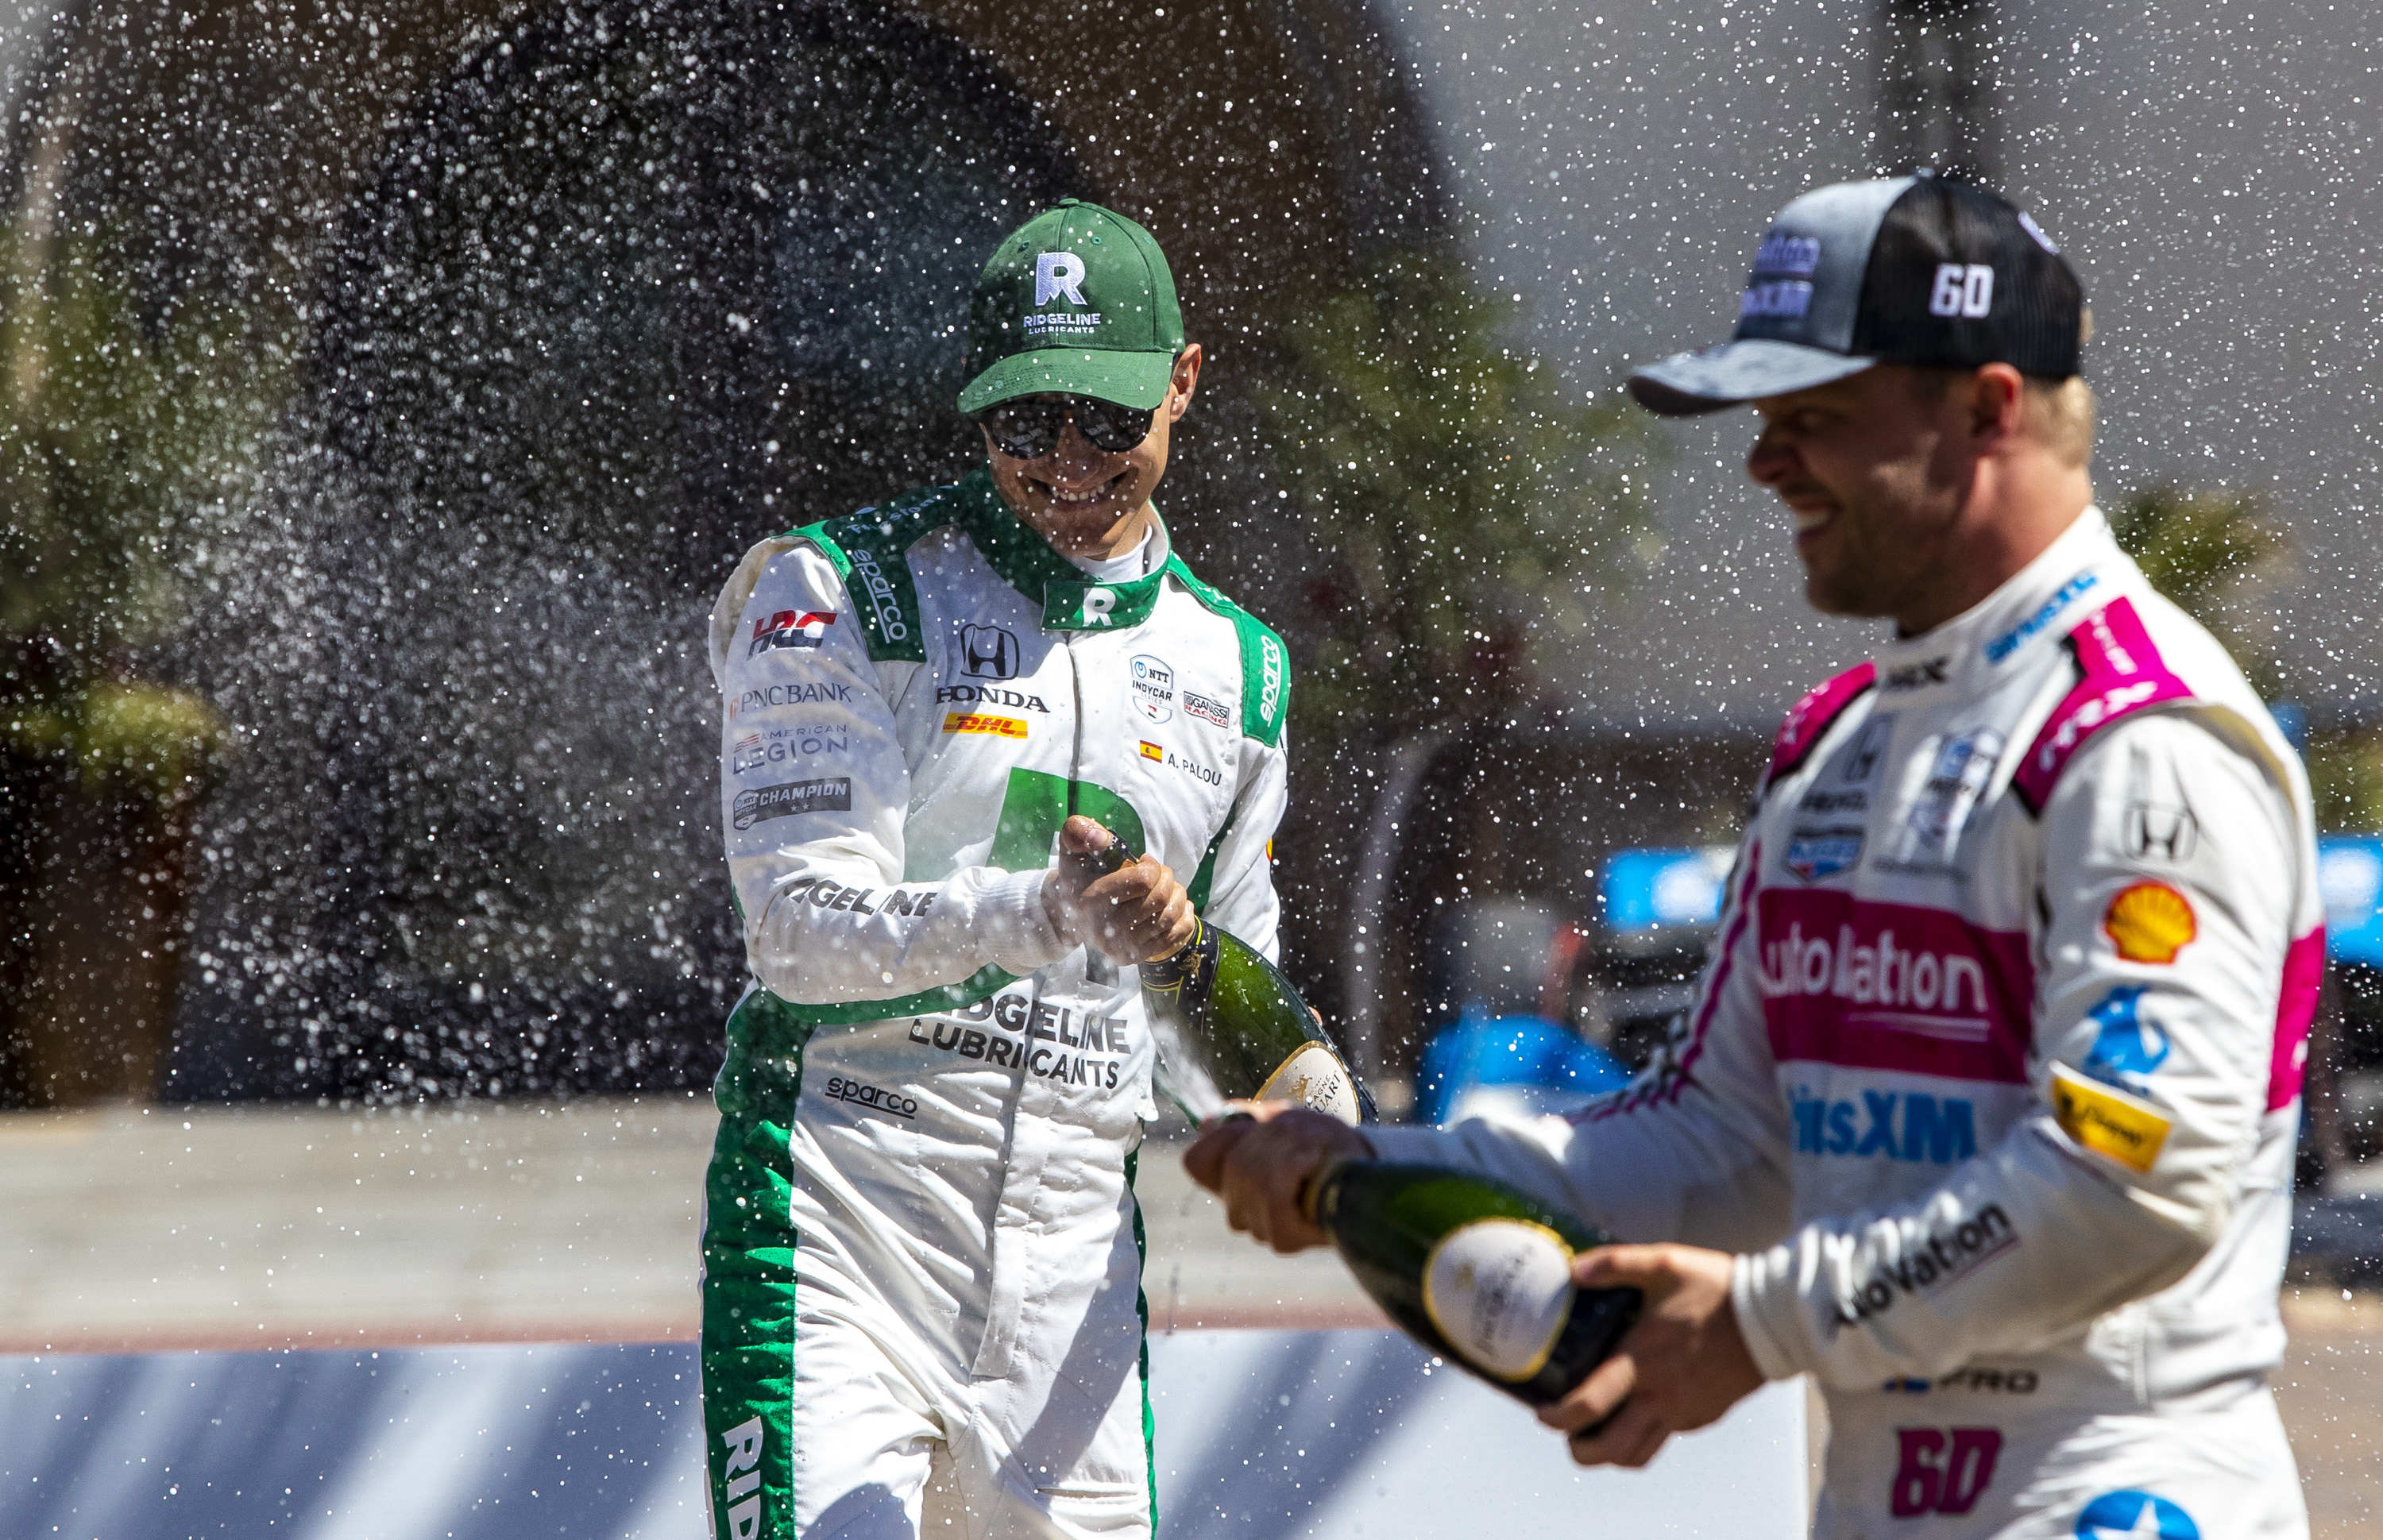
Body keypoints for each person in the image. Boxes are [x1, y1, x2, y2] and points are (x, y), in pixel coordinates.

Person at [1187, 173, 2322, 1540]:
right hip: (1874, 1496)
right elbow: (1720, 1140)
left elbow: (2136, 1178)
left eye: (1813, 419)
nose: (1763, 464)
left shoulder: (2140, 739)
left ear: (1988, 409)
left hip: (2116, 1493)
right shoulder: (1841, 746)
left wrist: (1763, 1322)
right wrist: (1371, 1166)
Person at [701, 200, 1292, 1540]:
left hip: (1075, 1260)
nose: (1069, 460)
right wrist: (1035, 911)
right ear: (974, 407)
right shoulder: (838, 591)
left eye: (1107, 415)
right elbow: (794, 933)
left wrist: (1275, 1102)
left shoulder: (1244, 670)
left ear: (1183, 382)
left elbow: (1221, 1040)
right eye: (1027, 420)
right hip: (839, 1213)